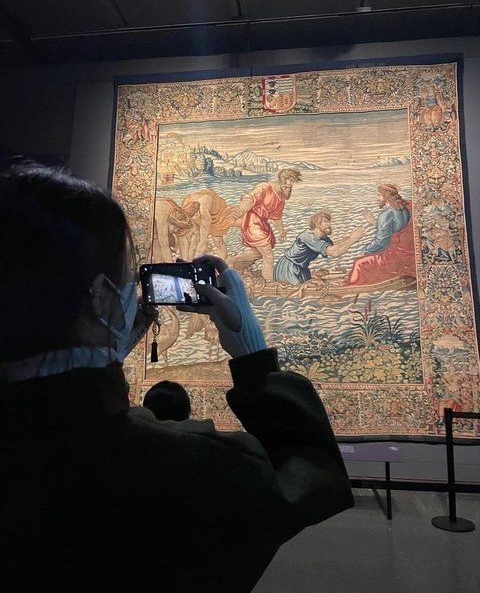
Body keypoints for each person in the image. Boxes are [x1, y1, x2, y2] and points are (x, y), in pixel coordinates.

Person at [0, 164, 353, 593]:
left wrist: (105, 348)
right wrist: (253, 355)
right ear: (103, 298)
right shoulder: (188, 466)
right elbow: (313, 477)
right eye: (129, 277)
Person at [229, 168, 302, 280]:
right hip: (252, 222)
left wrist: (281, 230)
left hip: (263, 224)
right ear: (283, 178)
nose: (291, 184)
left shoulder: (281, 198)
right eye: (290, 181)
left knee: (257, 253)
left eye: (293, 182)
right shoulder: (265, 187)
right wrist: (240, 210)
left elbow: (276, 216)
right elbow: (250, 199)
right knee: (268, 256)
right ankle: (269, 281)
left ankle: (231, 262)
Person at [347, 183, 416, 286]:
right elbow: (395, 228)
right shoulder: (403, 209)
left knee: (359, 263)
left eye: (379, 195)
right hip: (404, 253)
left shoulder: (386, 215)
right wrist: (375, 223)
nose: (377, 198)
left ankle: (352, 286)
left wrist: (365, 251)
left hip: (393, 255)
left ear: (386, 196)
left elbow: (381, 241)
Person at [274, 210, 366, 285]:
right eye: (325, 222)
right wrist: (352, 239)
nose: (329, 224)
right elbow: (334, 252)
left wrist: (349, 238)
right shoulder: (308, 236)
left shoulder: (322, 237)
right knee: (299, 292)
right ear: (317, 224)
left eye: (329, 222)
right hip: (289, 269)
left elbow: (333, 245)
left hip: (302, 269)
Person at [181, 188, 238, 259]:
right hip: (203, 199)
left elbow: (203, 239)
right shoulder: (186, 203)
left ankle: (222, 261)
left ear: (197, 213)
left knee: (217, 240)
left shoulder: (204, 214)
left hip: (216, 213)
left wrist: (195, 259)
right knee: (193, 237)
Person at [151, 197, 200, 262]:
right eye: (175, 228)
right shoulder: (163, 217)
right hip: (151, 211)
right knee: (160, 242)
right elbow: (164, 246)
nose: (175, 231)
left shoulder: (175, 210)